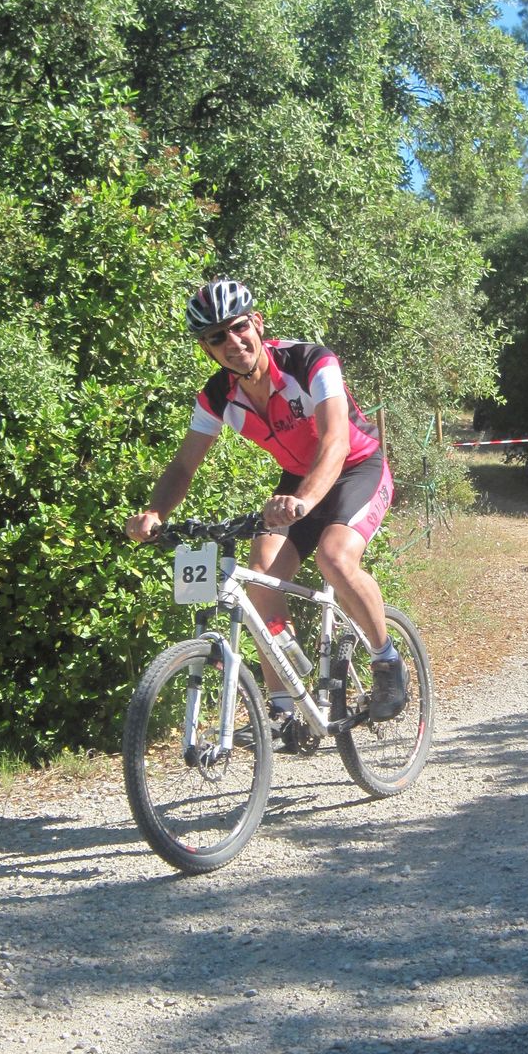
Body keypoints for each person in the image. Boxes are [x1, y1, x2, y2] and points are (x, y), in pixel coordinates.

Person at [124, 278, 409, 741]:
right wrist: (155, 512)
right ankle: (283, 708)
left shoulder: (311, 362)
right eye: (217, 337)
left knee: (335, 557)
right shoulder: (217, 396)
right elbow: (183, 465)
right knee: (259, 578)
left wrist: (304, 501)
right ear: (206, 348)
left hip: (357, 466)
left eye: (238, 327)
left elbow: (335, 442)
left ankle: (386, 659)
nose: (233, 342)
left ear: (257, 323)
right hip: (298, 480)